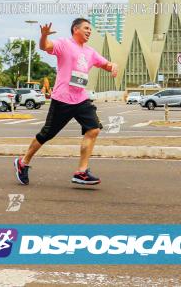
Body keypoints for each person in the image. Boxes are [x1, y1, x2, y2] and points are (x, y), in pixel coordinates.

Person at [14, 18, 117, 185]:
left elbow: (105, 64)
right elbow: (45, 46)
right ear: (75, 29)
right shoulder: (64, 44)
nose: (89, 31)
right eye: (86, 28)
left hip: (81, 99)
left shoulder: (90, 52)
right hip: (62, 99)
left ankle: (81, 172)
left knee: (93, 129)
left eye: (90, 29)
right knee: (46, 134)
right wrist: (44, 36)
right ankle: (23, 162)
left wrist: (113, 66)